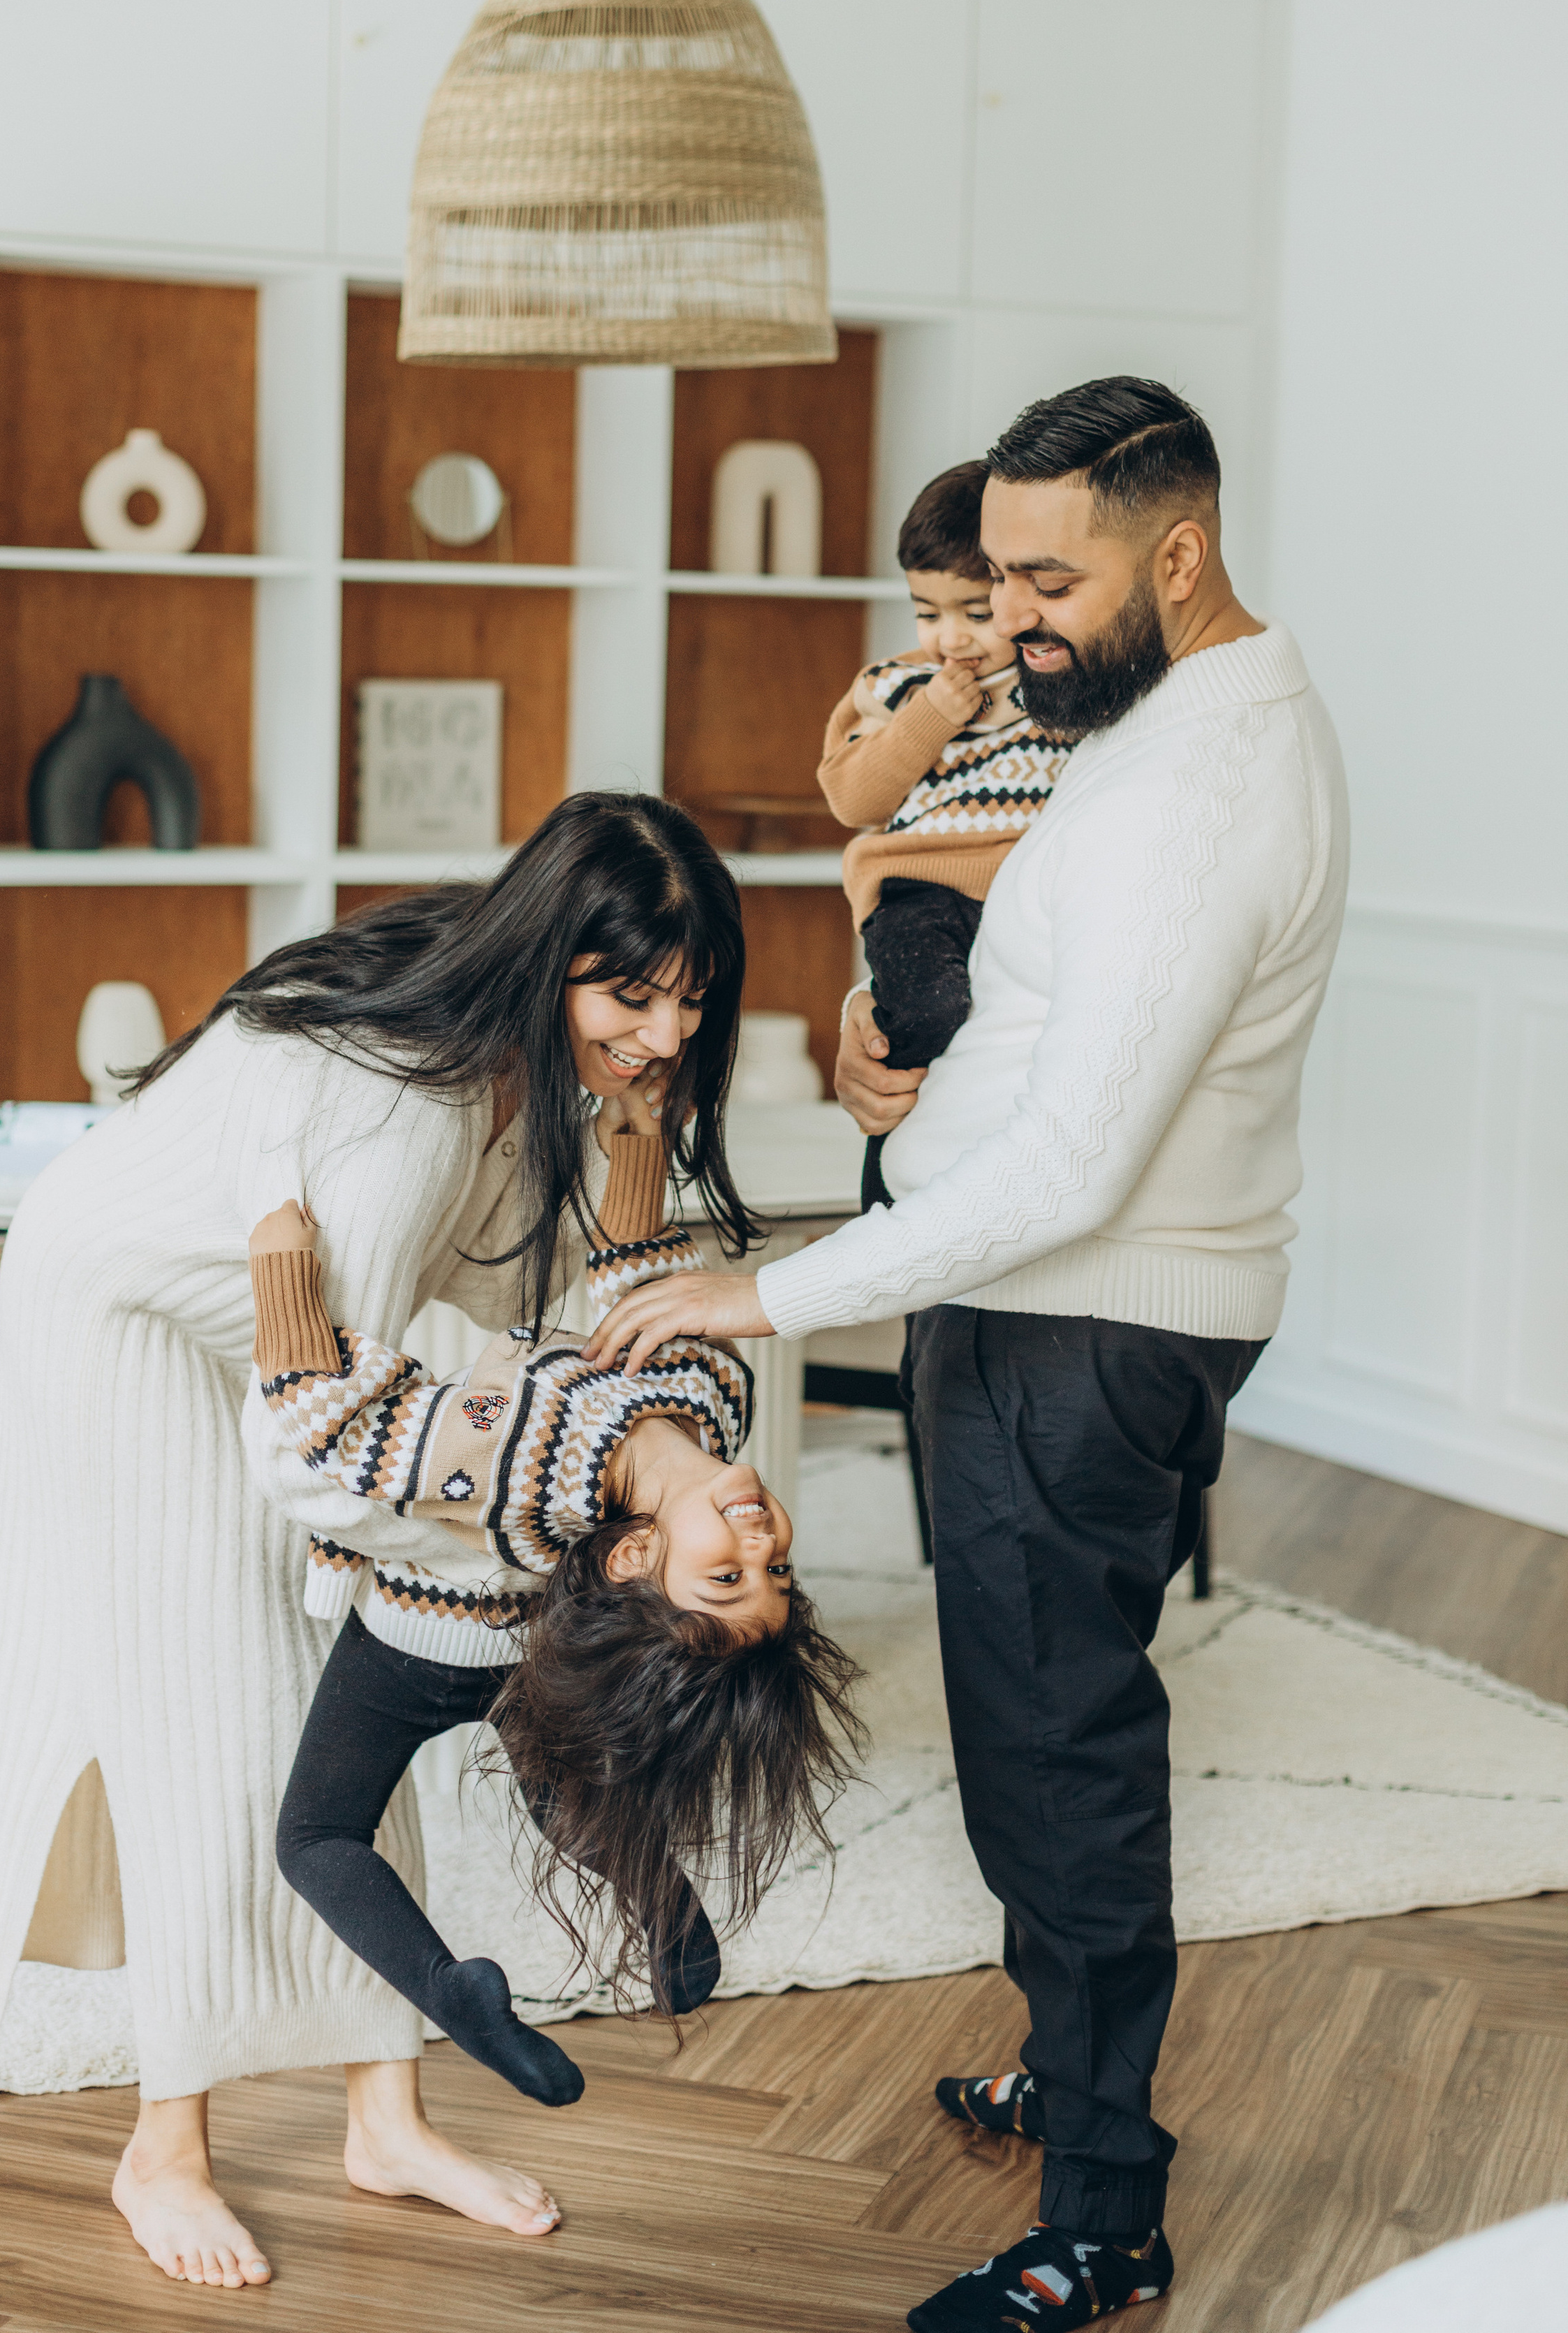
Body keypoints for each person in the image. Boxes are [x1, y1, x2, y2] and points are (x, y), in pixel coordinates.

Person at [586, 378, 1350, 2329]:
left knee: (1056, 1757)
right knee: (1028, 1726)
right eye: (993, 576)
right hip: (1035, 1305)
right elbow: (1050, 1005)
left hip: (1078, 1321)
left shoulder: (1199, 789)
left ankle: (1103, 2215)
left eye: (1046, 580)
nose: (1008, 620)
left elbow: (1082, 1165)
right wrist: (892, 1060)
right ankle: (1063, 2074)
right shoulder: (1157, 716)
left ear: (1178, 553)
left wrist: (771, 1289)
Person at [0, 792, 761, 2292]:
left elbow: (545, 1304)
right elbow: (334, 1422)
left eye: (691, 1002)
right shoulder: (402, 1115)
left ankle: (385, 2119)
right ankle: (164, 2147)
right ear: (551, 958)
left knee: (341, 1695)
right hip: (129, 1316)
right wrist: (495, 1515)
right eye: (632, 997)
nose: (663, 1036)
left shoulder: (541, 1055)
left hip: (291, 1346)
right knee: (215, 1725)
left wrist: (635, 1194)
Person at [250, 1155, 861, 2112]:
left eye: (726, 1577)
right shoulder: (714, 1401)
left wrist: (280, 1268)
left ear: (632, 1557)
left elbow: (342, 1433)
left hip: (415, 1645)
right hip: (535, 1652)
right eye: (773, 1573)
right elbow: (646, 1291)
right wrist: (639, 1145)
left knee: (316, 1836)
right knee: (561, 1792)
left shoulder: (513, 1453)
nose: (763, 1546)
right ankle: (666, 1907)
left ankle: (453, 1995)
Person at [816, 459, 1078, 1209]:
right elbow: (851, 798)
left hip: (1019, 898)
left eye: (973, 612)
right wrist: (929, 717)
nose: (949, 638)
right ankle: (885, 1185)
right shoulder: (896, 686)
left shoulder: (1056, 683)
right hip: (918, 890)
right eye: (926, 613)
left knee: (1005, 1040)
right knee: (927, 1014)